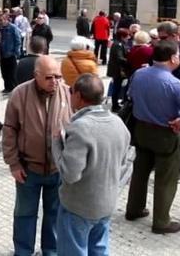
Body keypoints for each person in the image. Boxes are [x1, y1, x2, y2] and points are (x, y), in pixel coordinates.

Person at [125, 40, 180, 235]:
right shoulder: (174, 84)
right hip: (165, 132)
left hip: (141, 129)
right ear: (173, 58)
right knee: (166, 177)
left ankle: (133, 209)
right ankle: (161, 221)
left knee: (140, 171)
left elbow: (130, 94)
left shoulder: (139, 74)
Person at [53, 74, 133, 256]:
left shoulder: (80, 128)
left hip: (79, 207)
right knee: (99, 250)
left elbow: (70, 174)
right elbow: (122, 164)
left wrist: (56, 142)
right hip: (106, 204)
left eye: (71, 92)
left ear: (79, 96)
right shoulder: (119, 123)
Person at [2, 56, 72, 256]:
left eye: (58, 76)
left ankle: (50, 251)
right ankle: (23, 251)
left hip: (57, 170)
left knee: (54, 215)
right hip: (28, 169)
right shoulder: (20, 94)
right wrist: (13, 164)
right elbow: (9, 130)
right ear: (36, 76)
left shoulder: (67, 93)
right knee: (24, 214)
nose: (55, 82)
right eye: (49, 77)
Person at [107, 28, 130, 112]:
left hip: (116, 69)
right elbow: (119, 58)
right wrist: (129, 61)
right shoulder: (118, 45)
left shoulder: (119, 43)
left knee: (118, 87)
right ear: (122, 36)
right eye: (127, 36)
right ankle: (115, 105)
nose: (128, 38)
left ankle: (116, 104)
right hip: (117, 70)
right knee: (116, 88)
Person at [0, 14, 22, 94]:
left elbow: (18, 40)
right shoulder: (0, 28)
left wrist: (16, 52)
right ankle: (7, 87)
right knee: (4, 72)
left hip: (11, 54)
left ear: (6, 20)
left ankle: (13, 88)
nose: (0, 22)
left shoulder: (13, 28)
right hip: (3, 54)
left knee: (12, 73)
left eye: (2, 20)